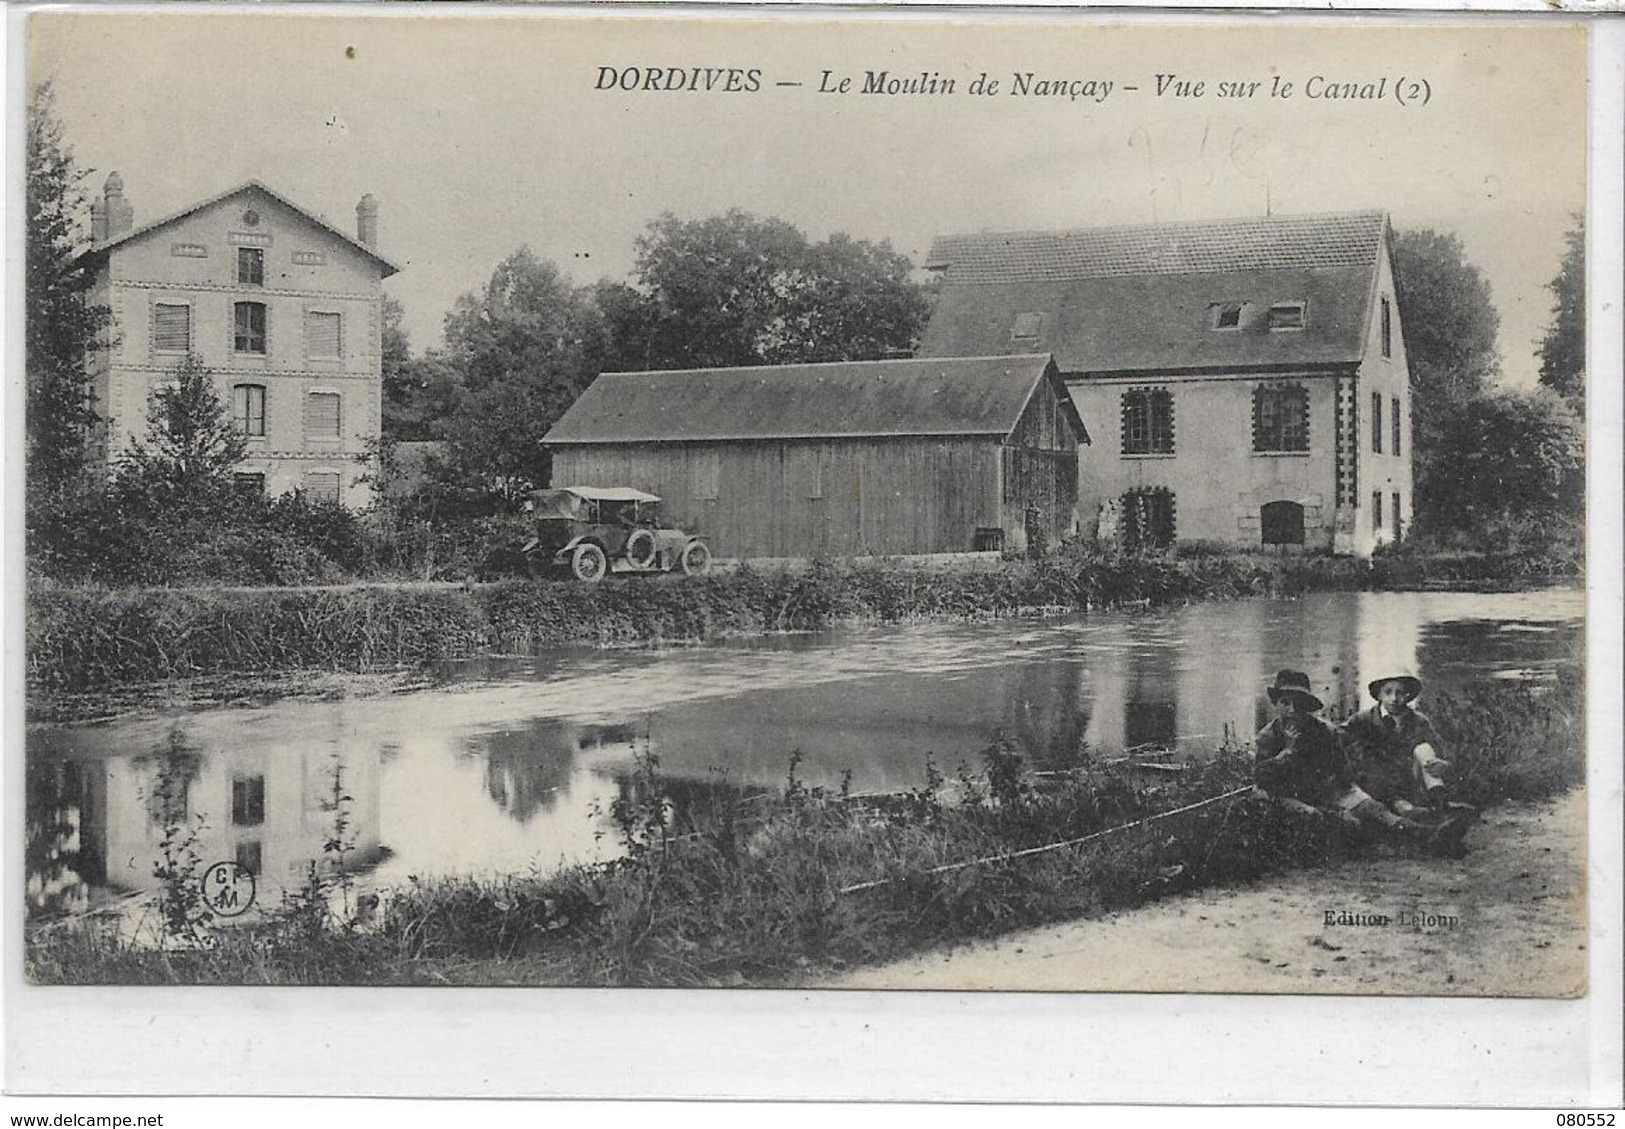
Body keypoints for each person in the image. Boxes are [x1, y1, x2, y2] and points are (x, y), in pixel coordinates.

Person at [1252, 670, 1418, 840]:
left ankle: (1422, 833)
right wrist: (1288, 751)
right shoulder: (1268, 736)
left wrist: (1353, 795)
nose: (1292, 710)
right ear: (1276, 704)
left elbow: (1343, 774)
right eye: (1285, 703)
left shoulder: (1324, 730)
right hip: (1286, 797)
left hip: (1325, 792)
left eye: (1299, 704)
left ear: (1307, 706)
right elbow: (1262, 779)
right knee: (1326, 819)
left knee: (1373, 808)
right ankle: (1358, 831)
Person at [1342, 673, 1473, 854]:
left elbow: (1441, 751)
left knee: (1424, 749)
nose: (1394, 698)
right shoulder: (1364, 720)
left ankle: (1438, 803)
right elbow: (1340, 736)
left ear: (1408, 696)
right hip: (1377, 783)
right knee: (1376, 772)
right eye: (1388, 692)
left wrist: (1444, 764)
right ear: (1379, 695)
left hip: (1410, 780)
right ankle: (1428, 819)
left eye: (1400, 693)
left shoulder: (1419, 721)